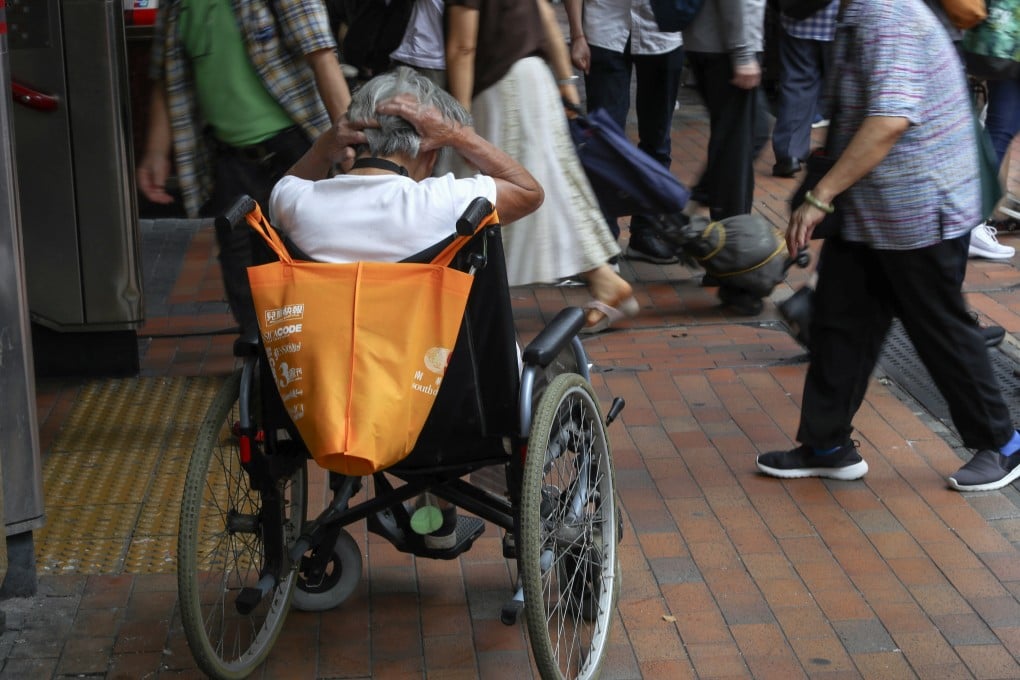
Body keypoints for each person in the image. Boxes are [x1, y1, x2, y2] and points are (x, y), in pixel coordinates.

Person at [269, 67, 544, 547]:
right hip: (450, 409)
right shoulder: (451, 201)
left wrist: (322, 148)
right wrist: (460, 134)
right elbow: (530, 191)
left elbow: (282, 188)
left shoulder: (299, 204)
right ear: (431, 151)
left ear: (355, 136)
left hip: (326, 406)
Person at [756, 0, 1020, 492]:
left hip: (920, 204)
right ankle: (826, 444)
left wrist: (821, 195)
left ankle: (1003, 444)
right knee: (841, 319)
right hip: (878, 204)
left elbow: (890, 119)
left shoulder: (886, 14)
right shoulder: (865, 11)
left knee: (938, 325)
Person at [137, 0, 352, 343]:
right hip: (229, 158)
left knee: (306, 258)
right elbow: (167, 76)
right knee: (240, 267)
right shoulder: (176, 6)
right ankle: (259, 362)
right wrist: (155, 152)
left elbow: (322, 56)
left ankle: (318, 353)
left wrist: (352, 145)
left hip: (295, 151)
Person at [444, 0, 638, 333]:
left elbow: (463, 46)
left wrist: (460, 126)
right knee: (549, 188)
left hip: (501, 87)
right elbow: (546, 15)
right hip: (533, 79)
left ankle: (604, 280)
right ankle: (604, 281)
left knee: (494, 193)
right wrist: (566, 85)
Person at [563, 0, 684, 264]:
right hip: (604, 29)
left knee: (657, 140)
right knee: (602, 144)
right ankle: (603, 244)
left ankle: (646, 233)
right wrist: (577, 34)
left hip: (663, 32)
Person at [681, 0, 766, 221]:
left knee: (754, 131)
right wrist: (742, 53)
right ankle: (730, 235)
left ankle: (699, 203)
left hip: (716, 42)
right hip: (725, 46)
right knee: (735, 147)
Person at [770, 1, 838, 178]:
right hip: (840, 21)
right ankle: (840, 155)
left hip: (799, 17)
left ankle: (789, 154)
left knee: (797, 84)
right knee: (844, 91)